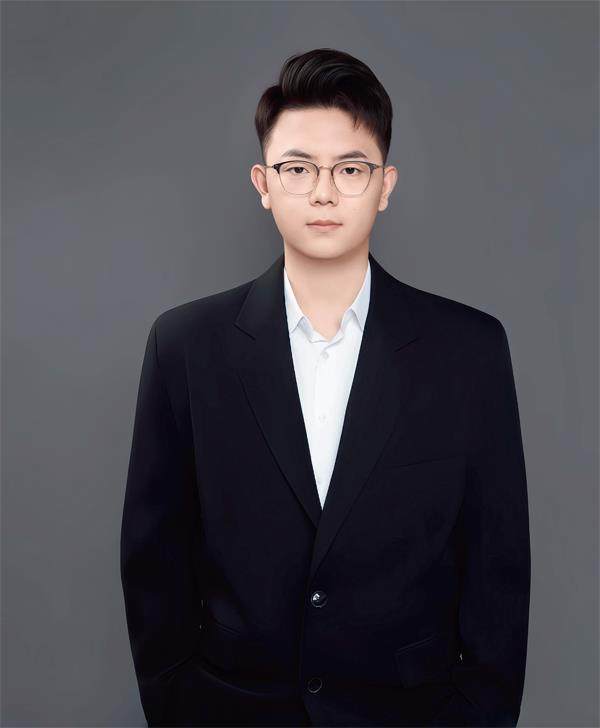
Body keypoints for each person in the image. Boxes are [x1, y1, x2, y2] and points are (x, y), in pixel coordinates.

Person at [120, 48, 531, 727]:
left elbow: (498, 571)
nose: (323, 193)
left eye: (350, 169)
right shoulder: (185, 346)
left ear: (385, 184)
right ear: (263, 183)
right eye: (298, 168)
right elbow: (153, 565)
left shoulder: (470, 351)